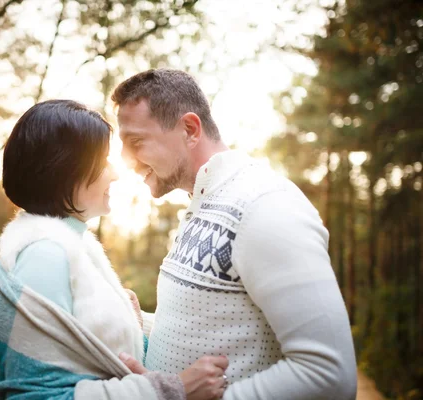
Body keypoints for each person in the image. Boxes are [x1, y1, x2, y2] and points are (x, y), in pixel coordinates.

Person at [111, 69, 358, 399]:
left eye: (136, 142)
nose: (126, 161)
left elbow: (329, 373)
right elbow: (211, 329)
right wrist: (137, 323)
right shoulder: (203, 201)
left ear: (189, 129)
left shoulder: (265, 205)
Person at [0, 99, 229, 400]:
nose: (115, 174)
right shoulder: (44, 255)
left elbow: (91, 354)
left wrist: (134, 324)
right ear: (64, 170)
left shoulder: (72, 244)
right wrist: (173, 390)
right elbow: (33, 395)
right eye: (103, 162)